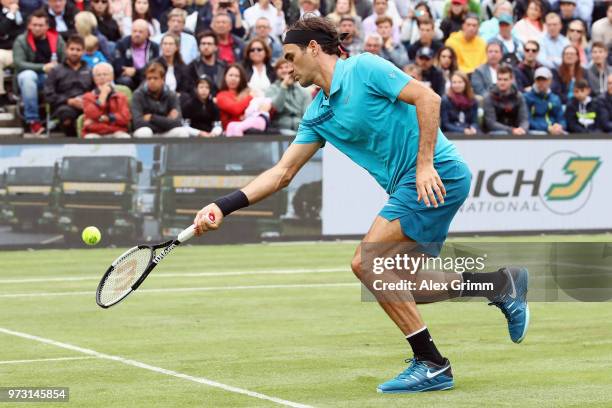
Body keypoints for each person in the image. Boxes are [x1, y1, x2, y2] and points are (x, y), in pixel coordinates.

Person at [193, 17, 529, 395]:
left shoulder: (365, 68)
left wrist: (424, 165)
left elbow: (428, 98)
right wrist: (224, 206)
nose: (286, 65)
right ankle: (501, 284)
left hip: (437, 176)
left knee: (365, 262)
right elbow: (282, 173)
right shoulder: (317, 113)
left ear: (314, 49)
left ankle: (432, 363)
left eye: (290, 56)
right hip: (413, 186)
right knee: (404, 285)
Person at [13, 9, 65, 135]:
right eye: (34, 25)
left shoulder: (56, 39)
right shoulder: (21, 40)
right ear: (29, 26)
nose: (37, 28)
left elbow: (65, 59)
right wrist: (43, 67)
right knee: (28, 76)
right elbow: (19, 63)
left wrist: (56, 68)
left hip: (51, 76)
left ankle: (59, 118)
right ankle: (33, 121)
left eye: (40, 25)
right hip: (30, 77)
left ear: (47, 26)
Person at [44, 34, 92, 136]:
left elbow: (96, 90)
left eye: (78, 50)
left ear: (83, 52)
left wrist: (86, 101)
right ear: (66, 50)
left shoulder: (90, 70)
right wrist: (68, 101)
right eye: (72, 49)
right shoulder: (56, 71)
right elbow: (48, 95)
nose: (74, 52)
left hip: (86, 104)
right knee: (66, 115)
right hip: (64, 105)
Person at [132, 61, 188, 137]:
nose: (152, 81)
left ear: (162, 79)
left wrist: (152, 117)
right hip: (149, 132)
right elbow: (138, 123)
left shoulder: (171, 95)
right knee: (144, 132)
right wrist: (166, 121)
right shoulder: (138, 95)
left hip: (165, 133)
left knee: (182, 132)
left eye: (155, 78)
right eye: (149, 78)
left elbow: (178, 123)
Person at [82, 62, 131, 138]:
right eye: (98, 75)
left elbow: (125, 119)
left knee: (124, 137)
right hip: (95, 132)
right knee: (90, 138)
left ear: (112, 77)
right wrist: (102, 97)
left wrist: (108, 118)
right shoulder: (88, 97)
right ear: (94, 79)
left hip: (117, 132)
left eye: (105, 74)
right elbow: (91, 115)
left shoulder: (121, 96)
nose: (102, 77)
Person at [265, 58, 312, 133]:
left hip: (300, 129)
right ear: (276, 71)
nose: (284, 70)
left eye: (287, 67)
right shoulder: (271, 90)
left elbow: (307, 116)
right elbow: (277, 108)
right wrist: (283, 86)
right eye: (280, 68)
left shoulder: (304, 91)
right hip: (280, 130)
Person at [113, 18, 159, 89]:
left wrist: (136, 72)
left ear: (147, 34)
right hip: (127, 78)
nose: (137, 34)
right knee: (125, 81)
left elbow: (154, 67)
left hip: (146, 77)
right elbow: (118, 66)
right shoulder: (121, 44)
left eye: (141, 32)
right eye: (134, 31)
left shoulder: (154, 47)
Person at [483, 65, 529, 135]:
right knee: (502, 133)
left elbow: (524, 119)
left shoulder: (519, 96)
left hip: (517, 131)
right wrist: (512, 130)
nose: (502, 83)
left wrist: (522, 129)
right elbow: (491, 123)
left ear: (511, 80)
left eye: (505, 79)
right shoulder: (489, 97)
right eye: (499, 79)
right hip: (495, 133)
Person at [524, 66, 565, 134]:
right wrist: (547, 128)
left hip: (555, 130)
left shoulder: (555, 98)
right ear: (535, 81)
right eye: (538, 80)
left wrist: (560, 126)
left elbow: (561, 119)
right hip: (536, 131)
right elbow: (527, 120)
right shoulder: (526, 97)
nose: (541, 82)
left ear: (550, 81)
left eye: (544, 80)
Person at [0, 0, 25, 108]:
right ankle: (1, 96)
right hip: (4, 51)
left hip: (23, 51)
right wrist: (11, 14)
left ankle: (18, 95)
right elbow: (1, 31)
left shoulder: (25, 13)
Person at [215, 63, 253, 129]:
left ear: (241, 79)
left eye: (237, 76)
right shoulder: (221, 96)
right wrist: (250, 97)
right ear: (225, 77)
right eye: (230, 75)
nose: (233, 78)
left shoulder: (247, 92)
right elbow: (236, 109)